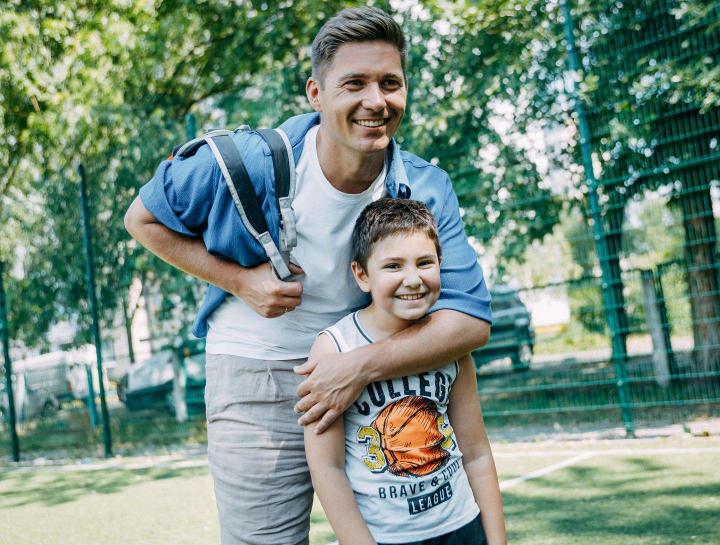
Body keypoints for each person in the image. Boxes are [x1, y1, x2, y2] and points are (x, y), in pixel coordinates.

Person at [124, 6, 492, 545]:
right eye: (355, 84)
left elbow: (470, 321)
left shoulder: (425, 186)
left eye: (390, 83)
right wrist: (240, 282)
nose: (376, 101)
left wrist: (355, 368)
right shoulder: (250, 161)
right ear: (316, 94)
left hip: (374, 373)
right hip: (258, 372)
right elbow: (142, 219)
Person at [305, 199, 505, 545]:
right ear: (362, 274)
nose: (412, 279)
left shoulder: (450, 343)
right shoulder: (334, 348)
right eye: (393, 266)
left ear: (440, 264)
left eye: (425, 263)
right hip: (385, 537)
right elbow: (327, 469)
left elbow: (476, 453)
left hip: (463, 526)